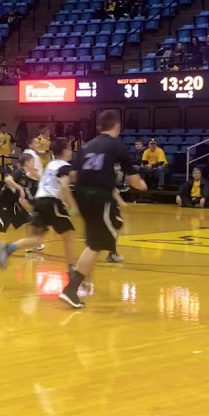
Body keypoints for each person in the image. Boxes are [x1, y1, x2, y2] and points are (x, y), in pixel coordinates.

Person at [58, 112, 147, 308]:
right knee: (99, 243)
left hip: (82, 196)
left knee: (94, 242)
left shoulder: (87, 145)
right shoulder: (117, 146)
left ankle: (80, 281)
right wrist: (143, 186)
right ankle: (71, 289)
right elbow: (133, 180)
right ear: (117, 127)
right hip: (100, 197)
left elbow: (71, 173)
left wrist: (70, 198)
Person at [0, 141, 77, 269]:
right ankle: (72, 269)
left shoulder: (51, 165)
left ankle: (8, 248)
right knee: (67, 235)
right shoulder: (64, 166)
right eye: (69, 148)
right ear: (65, 150)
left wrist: (61, 200)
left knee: (37, 238)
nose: (71, 150)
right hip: (51, 202)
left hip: (41, 201)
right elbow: (63, 186)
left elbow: (51, 184)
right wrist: (73, 206)